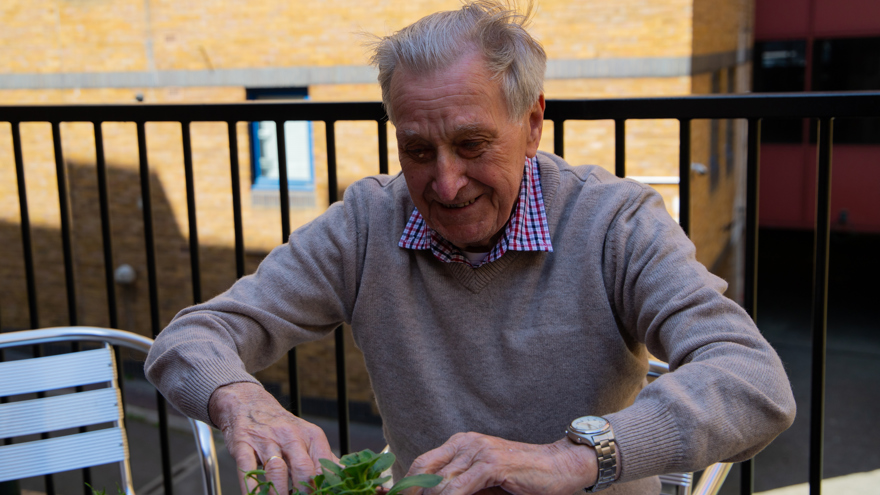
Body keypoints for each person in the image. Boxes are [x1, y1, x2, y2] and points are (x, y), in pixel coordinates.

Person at [145, 2, 796, 494]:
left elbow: (753, 383)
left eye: (472, 144)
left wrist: (570, 457)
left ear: (533, 123)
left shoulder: (615, 223)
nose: (445, 182)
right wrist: (241, 397)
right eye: (418, 150)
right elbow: (188, 338)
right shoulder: (366, 222)